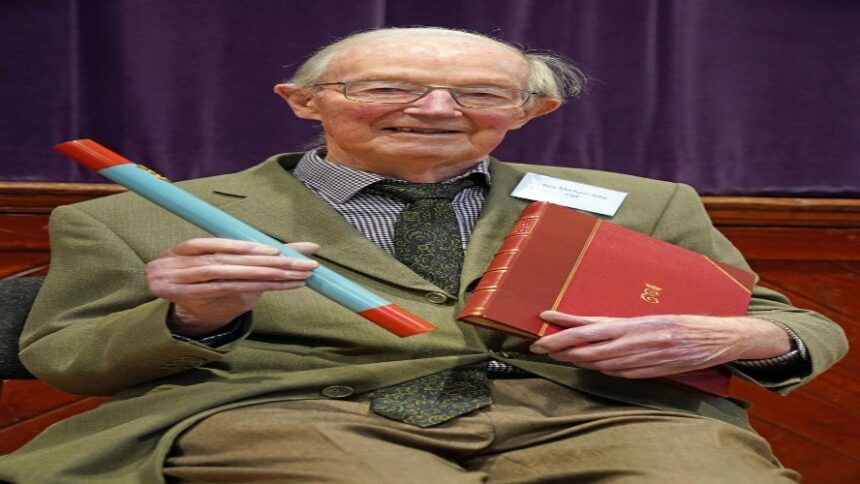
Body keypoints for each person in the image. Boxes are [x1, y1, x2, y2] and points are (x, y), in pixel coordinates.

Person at [0, 27, 847, 483]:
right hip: (299, 415)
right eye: (387, 88)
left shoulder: (643, 201)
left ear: (530, 112)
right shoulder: (132, 215)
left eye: (481, 94)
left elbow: (790, 323)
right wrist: (194, 317)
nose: (438, 109)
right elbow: (66, 356)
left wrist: (736, 338)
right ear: (302, 102)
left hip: (602, 415)